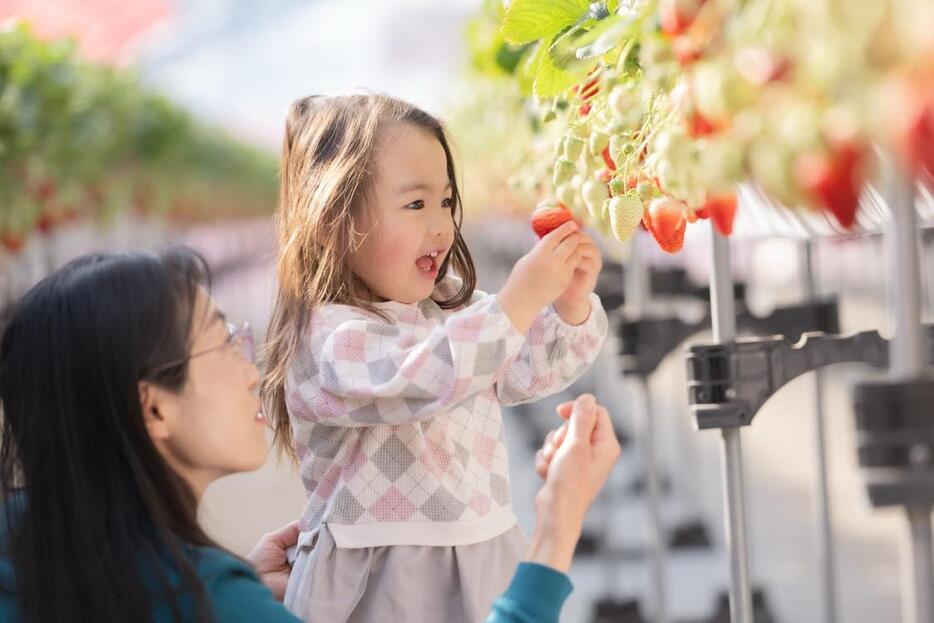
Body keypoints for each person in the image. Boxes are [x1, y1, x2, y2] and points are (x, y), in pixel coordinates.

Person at [0, 248, 620, 623]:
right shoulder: (212, 602)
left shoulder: (32, 550)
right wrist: (557, 529)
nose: (254, 368)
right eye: (225, 341)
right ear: (154, 409)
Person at [260, 93, 608, 622]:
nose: (442, 225)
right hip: (386, 585)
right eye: (416, 203)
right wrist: (518, 299)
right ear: (333, 220)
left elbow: (523, 368)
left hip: (485, 553)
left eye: (446, 201)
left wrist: (569, 303)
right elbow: (423, 376)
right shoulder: (331, 339)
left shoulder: (450, 311)